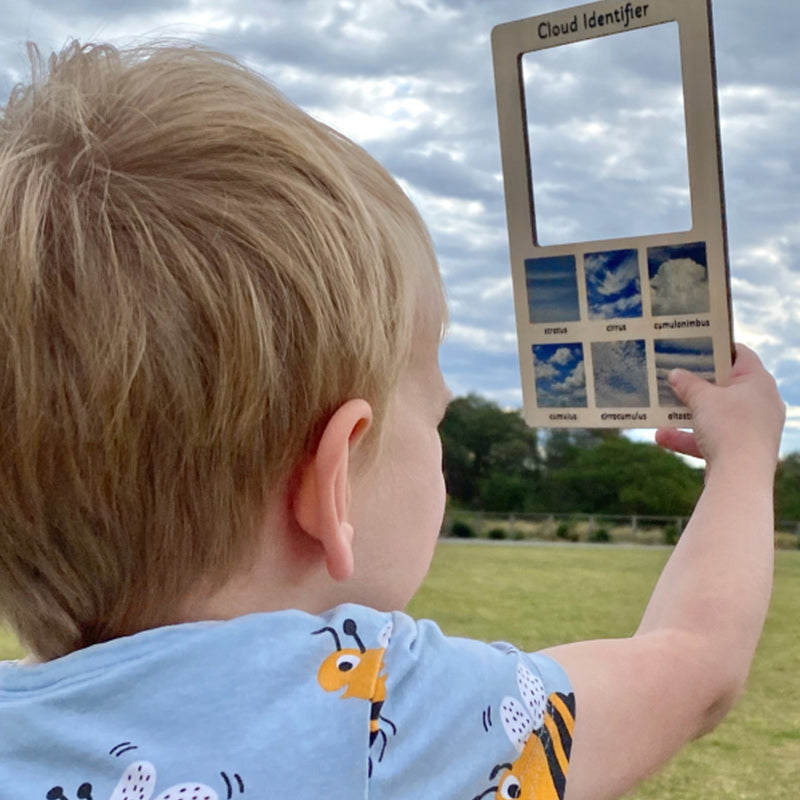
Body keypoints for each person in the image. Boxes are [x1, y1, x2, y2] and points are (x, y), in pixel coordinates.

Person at [0, 41, 784, 800]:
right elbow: (694, 666)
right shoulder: (374, 714)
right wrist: (745, 458)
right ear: (332, 481)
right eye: (435, 418)